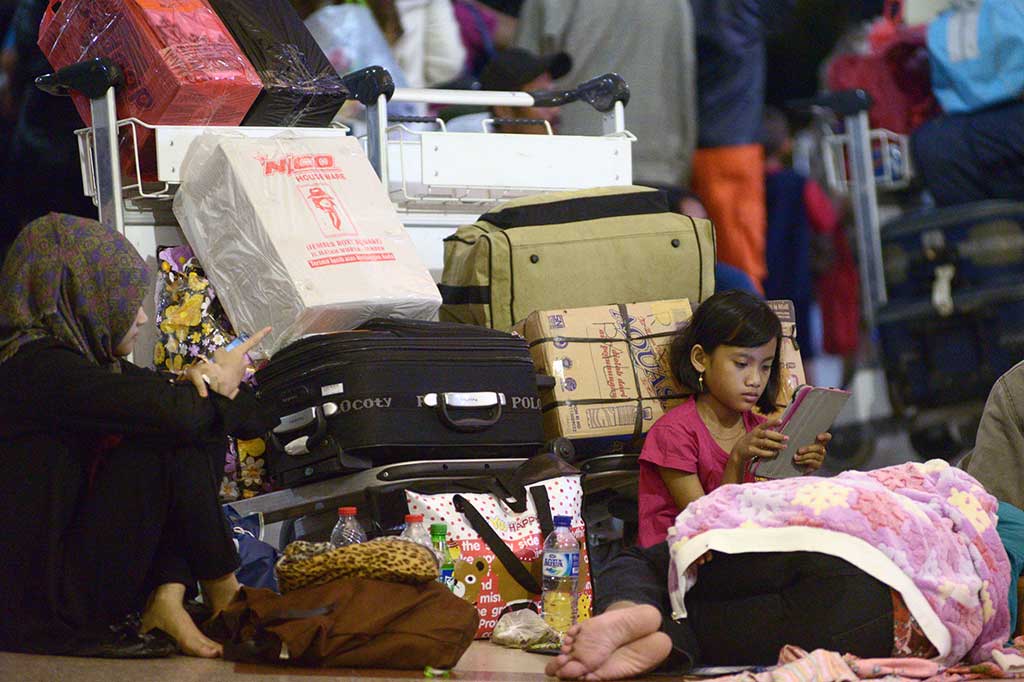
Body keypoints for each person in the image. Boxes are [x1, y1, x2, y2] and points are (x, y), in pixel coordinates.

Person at [0, 214, 277, 658]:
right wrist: (214, 382)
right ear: (84, 293)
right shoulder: (34, 370)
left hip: (77, 583)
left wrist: (210, 383)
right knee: (174, 430)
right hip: (41, 606)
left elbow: (249, 419)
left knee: (189, 423)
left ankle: (169, 598)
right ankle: (220, 587)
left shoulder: (94, 366)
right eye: (127, 300)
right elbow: (178, 415)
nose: (144, 317)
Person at [547, 461, 1024, 679]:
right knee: (710, 633)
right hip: (902, 624)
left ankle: (634, 610)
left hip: (843, 544)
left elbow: (915, 483)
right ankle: (670, 642)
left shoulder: (999, 515)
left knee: (654, 561)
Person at [637, 290, 829, 547]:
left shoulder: (762, 432)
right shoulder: (673, 433)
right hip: (681, 558)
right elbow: (708, 527)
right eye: (741, 364)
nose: (755, 380)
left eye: (765, 366)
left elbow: (776, 513)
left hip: (745, 552)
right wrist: (737, 459)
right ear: (700, 359)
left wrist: (799, 467)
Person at [513, 0, 696, 190]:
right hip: (661, 168)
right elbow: (684, 82)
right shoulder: (677, 4)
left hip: (576, 166)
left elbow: (520, 79)